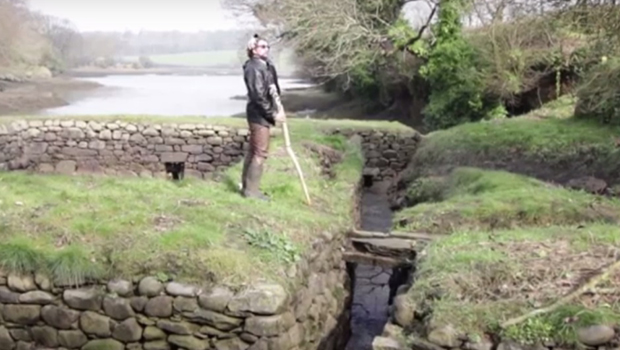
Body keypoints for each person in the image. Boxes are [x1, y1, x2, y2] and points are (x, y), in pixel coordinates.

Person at [240, 34, 286, 200]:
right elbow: (258, 96)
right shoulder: (253, 67)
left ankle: (247, 188)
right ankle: (251, 192)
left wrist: (277, 108)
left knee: (254, 151)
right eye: (262, 46)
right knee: (260, 152)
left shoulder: (265, 66)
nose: (266, 49)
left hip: (261, 114)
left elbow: (272, 89)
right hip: (258, 116)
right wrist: (273, 115)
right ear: (253, 49)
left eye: (267, 47)